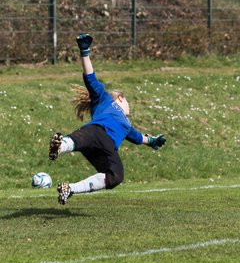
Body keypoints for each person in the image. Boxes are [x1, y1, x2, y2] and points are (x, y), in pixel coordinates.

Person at [49, 34, 166, 205]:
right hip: (97, 132)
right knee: (81, 138)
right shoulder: (105, 100)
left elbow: (139, 138)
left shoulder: (127, 126)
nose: (129, 105)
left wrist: (153, 140)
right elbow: (90, 78)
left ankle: (70, 189)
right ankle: (60, 146)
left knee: (116, 176)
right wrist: (84, 52)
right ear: (119, 98)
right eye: (127, 100)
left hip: (105, 150)